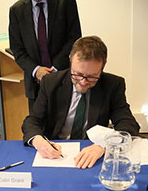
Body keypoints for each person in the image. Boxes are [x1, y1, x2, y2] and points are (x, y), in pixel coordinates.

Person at [21, 36, 140, 169]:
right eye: (77, 74)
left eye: (91, 77)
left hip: (92, 152)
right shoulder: (51, 82)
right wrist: (38, 140)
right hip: (56, 153)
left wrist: (103, 145)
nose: (83, 82)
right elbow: (32, 121)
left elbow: (128, 123)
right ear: (70, 59)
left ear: (102, 69)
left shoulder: (112, 85)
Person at [9, 0, 82, 112]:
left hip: (63, 77)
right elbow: (17, 49)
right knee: (38, 128)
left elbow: (74, 39)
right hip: (35, 84)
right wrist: (37, 70)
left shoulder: (65, 0)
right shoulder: (16, 10)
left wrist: (53, 70)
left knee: (64, 127)